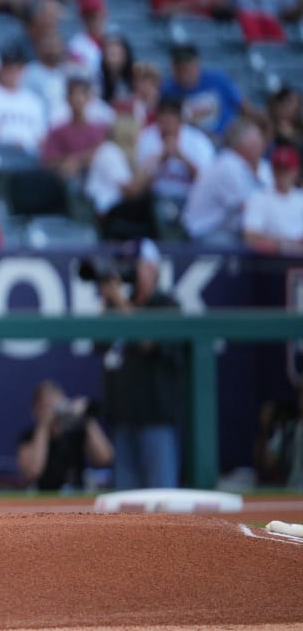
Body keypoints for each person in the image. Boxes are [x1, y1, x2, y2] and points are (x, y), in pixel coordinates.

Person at [91, 240, 185, 490]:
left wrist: (120, 302)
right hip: (122, 420)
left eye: (137, 265)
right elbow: (97, 342)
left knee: (162, 500)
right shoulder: (120, 303)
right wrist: (107, 300)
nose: (130, 270)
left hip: (155, 419)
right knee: (126, 508)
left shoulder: (166, 304)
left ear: (153, 268)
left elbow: (149, 342)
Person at [182, 120, 273, 245]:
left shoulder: (242, 165)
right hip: (204, 233)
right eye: (257, 139)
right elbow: (248, 208)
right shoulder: (228, 165)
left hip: (221, 230)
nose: (261, 144)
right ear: (243, 144)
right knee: (253, 243)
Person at [17, 379, 114, 492]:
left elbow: (105, 458)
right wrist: (43, 427)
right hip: (43, 497)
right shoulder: (29, 436)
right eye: (48, 406)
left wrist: (87, 418)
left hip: (76, 496)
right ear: (36, 409)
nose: (55, 412)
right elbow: (33, 471)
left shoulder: (76, 432)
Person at [160, 44, 248, 137]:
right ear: (173, 68)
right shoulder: (167, 92)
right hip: (194, 143)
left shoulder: (217, 79)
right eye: (179, 67)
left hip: (225, 138)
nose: (184, 71)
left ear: (197, 64)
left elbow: (242, 106)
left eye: (187, 66)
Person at [242, 146, 303, 254]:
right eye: (278, 169)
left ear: (295, 171)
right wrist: (282, 244)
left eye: (286, 170)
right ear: (272, 170)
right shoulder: (259, 197)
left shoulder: (300, 198)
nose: (282, 174)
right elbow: (250, 237)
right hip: (271, 259)